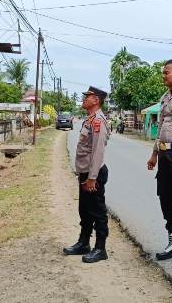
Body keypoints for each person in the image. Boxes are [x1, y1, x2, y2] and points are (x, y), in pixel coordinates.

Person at [146, 59, 172, 266]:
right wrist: (154, 154)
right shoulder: (165, 98)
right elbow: (161, 128)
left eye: (166, 72)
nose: (163, 75)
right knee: (165, 197)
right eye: (163, 72)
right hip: (164, 155)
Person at [63, 86, 111, 263]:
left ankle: (100, 248)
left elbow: (98, 152)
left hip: (94, 174)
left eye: (87, 96)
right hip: (86, 173)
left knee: (97, 212)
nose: (84, 99)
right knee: (84, 210)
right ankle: (83, 243)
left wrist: (92, 178)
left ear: (96, 100)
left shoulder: (98, 121)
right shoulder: (89, 119)